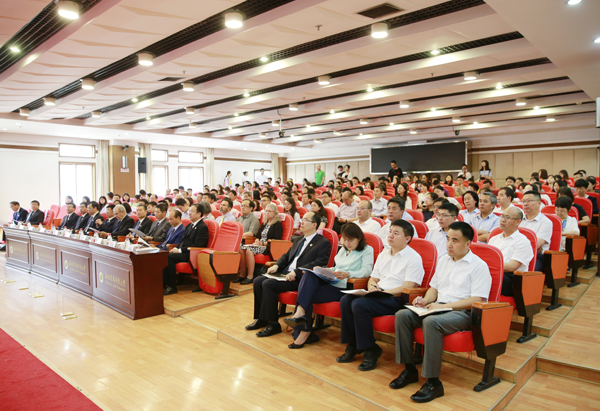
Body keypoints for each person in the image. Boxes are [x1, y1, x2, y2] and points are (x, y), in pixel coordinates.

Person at [391, 222, 491, 403]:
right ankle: (409, 369)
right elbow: (434, 288)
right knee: (402, 315)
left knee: (431, 322)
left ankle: (433, 382)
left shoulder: (479, 266)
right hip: (438, 307)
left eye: (455, 240)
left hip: (462, 312)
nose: (449, 244)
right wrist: (425, 300)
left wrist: (445, 307)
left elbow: (476, 300)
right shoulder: (444, 260)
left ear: (468, 243)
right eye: (448, 239)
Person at [337, 220, 424, 371]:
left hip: (396, 298)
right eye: (390, 231)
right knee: (346, 300)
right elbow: (373, 278)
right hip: (378, 293)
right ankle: (353, 344)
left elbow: (409, 286)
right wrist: (371, 286)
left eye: (396, 233)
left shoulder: (414, 257)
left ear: (407, 238)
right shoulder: (384, 254)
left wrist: (383, 293)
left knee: (359, 305)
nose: (390, 235)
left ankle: (371, 349)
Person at [285, 223, 374, 348]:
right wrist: (326, 270)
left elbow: (366, 271)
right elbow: (337, 267)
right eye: (345, 240)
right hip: (333, 281)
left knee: (306, 295)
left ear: (359, 238)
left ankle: (303, 327)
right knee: (309, 275)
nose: (347, 243)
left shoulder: (367, 250)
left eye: (350, 240)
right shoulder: (344, 249)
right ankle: (302, 320)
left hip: (346, 287)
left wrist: (348, 274)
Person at [245, 212, 331, 337]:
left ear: (314, 225)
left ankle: (273, 324)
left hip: (301, 278)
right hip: (285, 273)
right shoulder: (298, 239)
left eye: (305, 220)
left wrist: (297, 271)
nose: (301, 222)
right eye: (301, 219)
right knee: (258, 280)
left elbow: (319, 263)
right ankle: (261, 319)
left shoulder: (323, 242)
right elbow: (286, 256)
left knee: (268, 284)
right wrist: (276, 265)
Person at [162, 204, 210, 295]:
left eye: (192, 211)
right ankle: (164, 284)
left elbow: (197, 245)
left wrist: (180, 250)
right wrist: (176, 248)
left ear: (199, 214)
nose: (189, 213)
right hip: (184, 252)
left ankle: (172, 287)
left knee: (170, 257)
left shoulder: (202, 227)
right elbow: (182, 240)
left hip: (191, 254)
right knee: (165, 255)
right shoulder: (189, 225)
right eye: (189, 211)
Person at [489, 207, 534, 296]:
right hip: (494, 273)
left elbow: (512, 267)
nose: (503, 220)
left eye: (507, 217)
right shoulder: (493, 239)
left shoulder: (523, 241)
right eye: (502, 216)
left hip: (511, 279)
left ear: (518, 222)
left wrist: (488, 267)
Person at [236, 204, 284, 285]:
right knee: (241, 250)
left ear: (275, 213)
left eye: (269, 211)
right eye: (266, 211)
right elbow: (258, 236)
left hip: (268, 247)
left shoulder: (277, 224)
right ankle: (242, 274)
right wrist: (257, 241)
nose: (267, 213)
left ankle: (250, 276)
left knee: (249, 251)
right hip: (259, 245)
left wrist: (262, 243)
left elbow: (276, 240)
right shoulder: (264, 223)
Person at [519, 191, 552, 271]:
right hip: (515, 253)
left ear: (539, 203)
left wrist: (515, 244)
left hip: (536, 256)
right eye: (523, 201)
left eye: (529, 201)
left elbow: (535, 244)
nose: (525, 204)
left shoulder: (545, 222)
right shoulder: (518, 219)